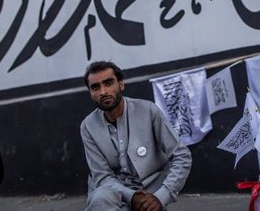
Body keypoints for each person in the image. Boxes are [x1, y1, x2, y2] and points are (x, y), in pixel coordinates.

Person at [81, 61, 192, 211]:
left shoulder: (148, 110)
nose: (103, 92)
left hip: (152, 191)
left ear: (121, 85)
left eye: (108, 83)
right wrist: (131, 196)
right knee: (100, 199)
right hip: (113, 194)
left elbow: (182, 155)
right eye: (95, 87)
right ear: (90, 93)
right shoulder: (88, 126)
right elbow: (102, 176)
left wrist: (162, 196)